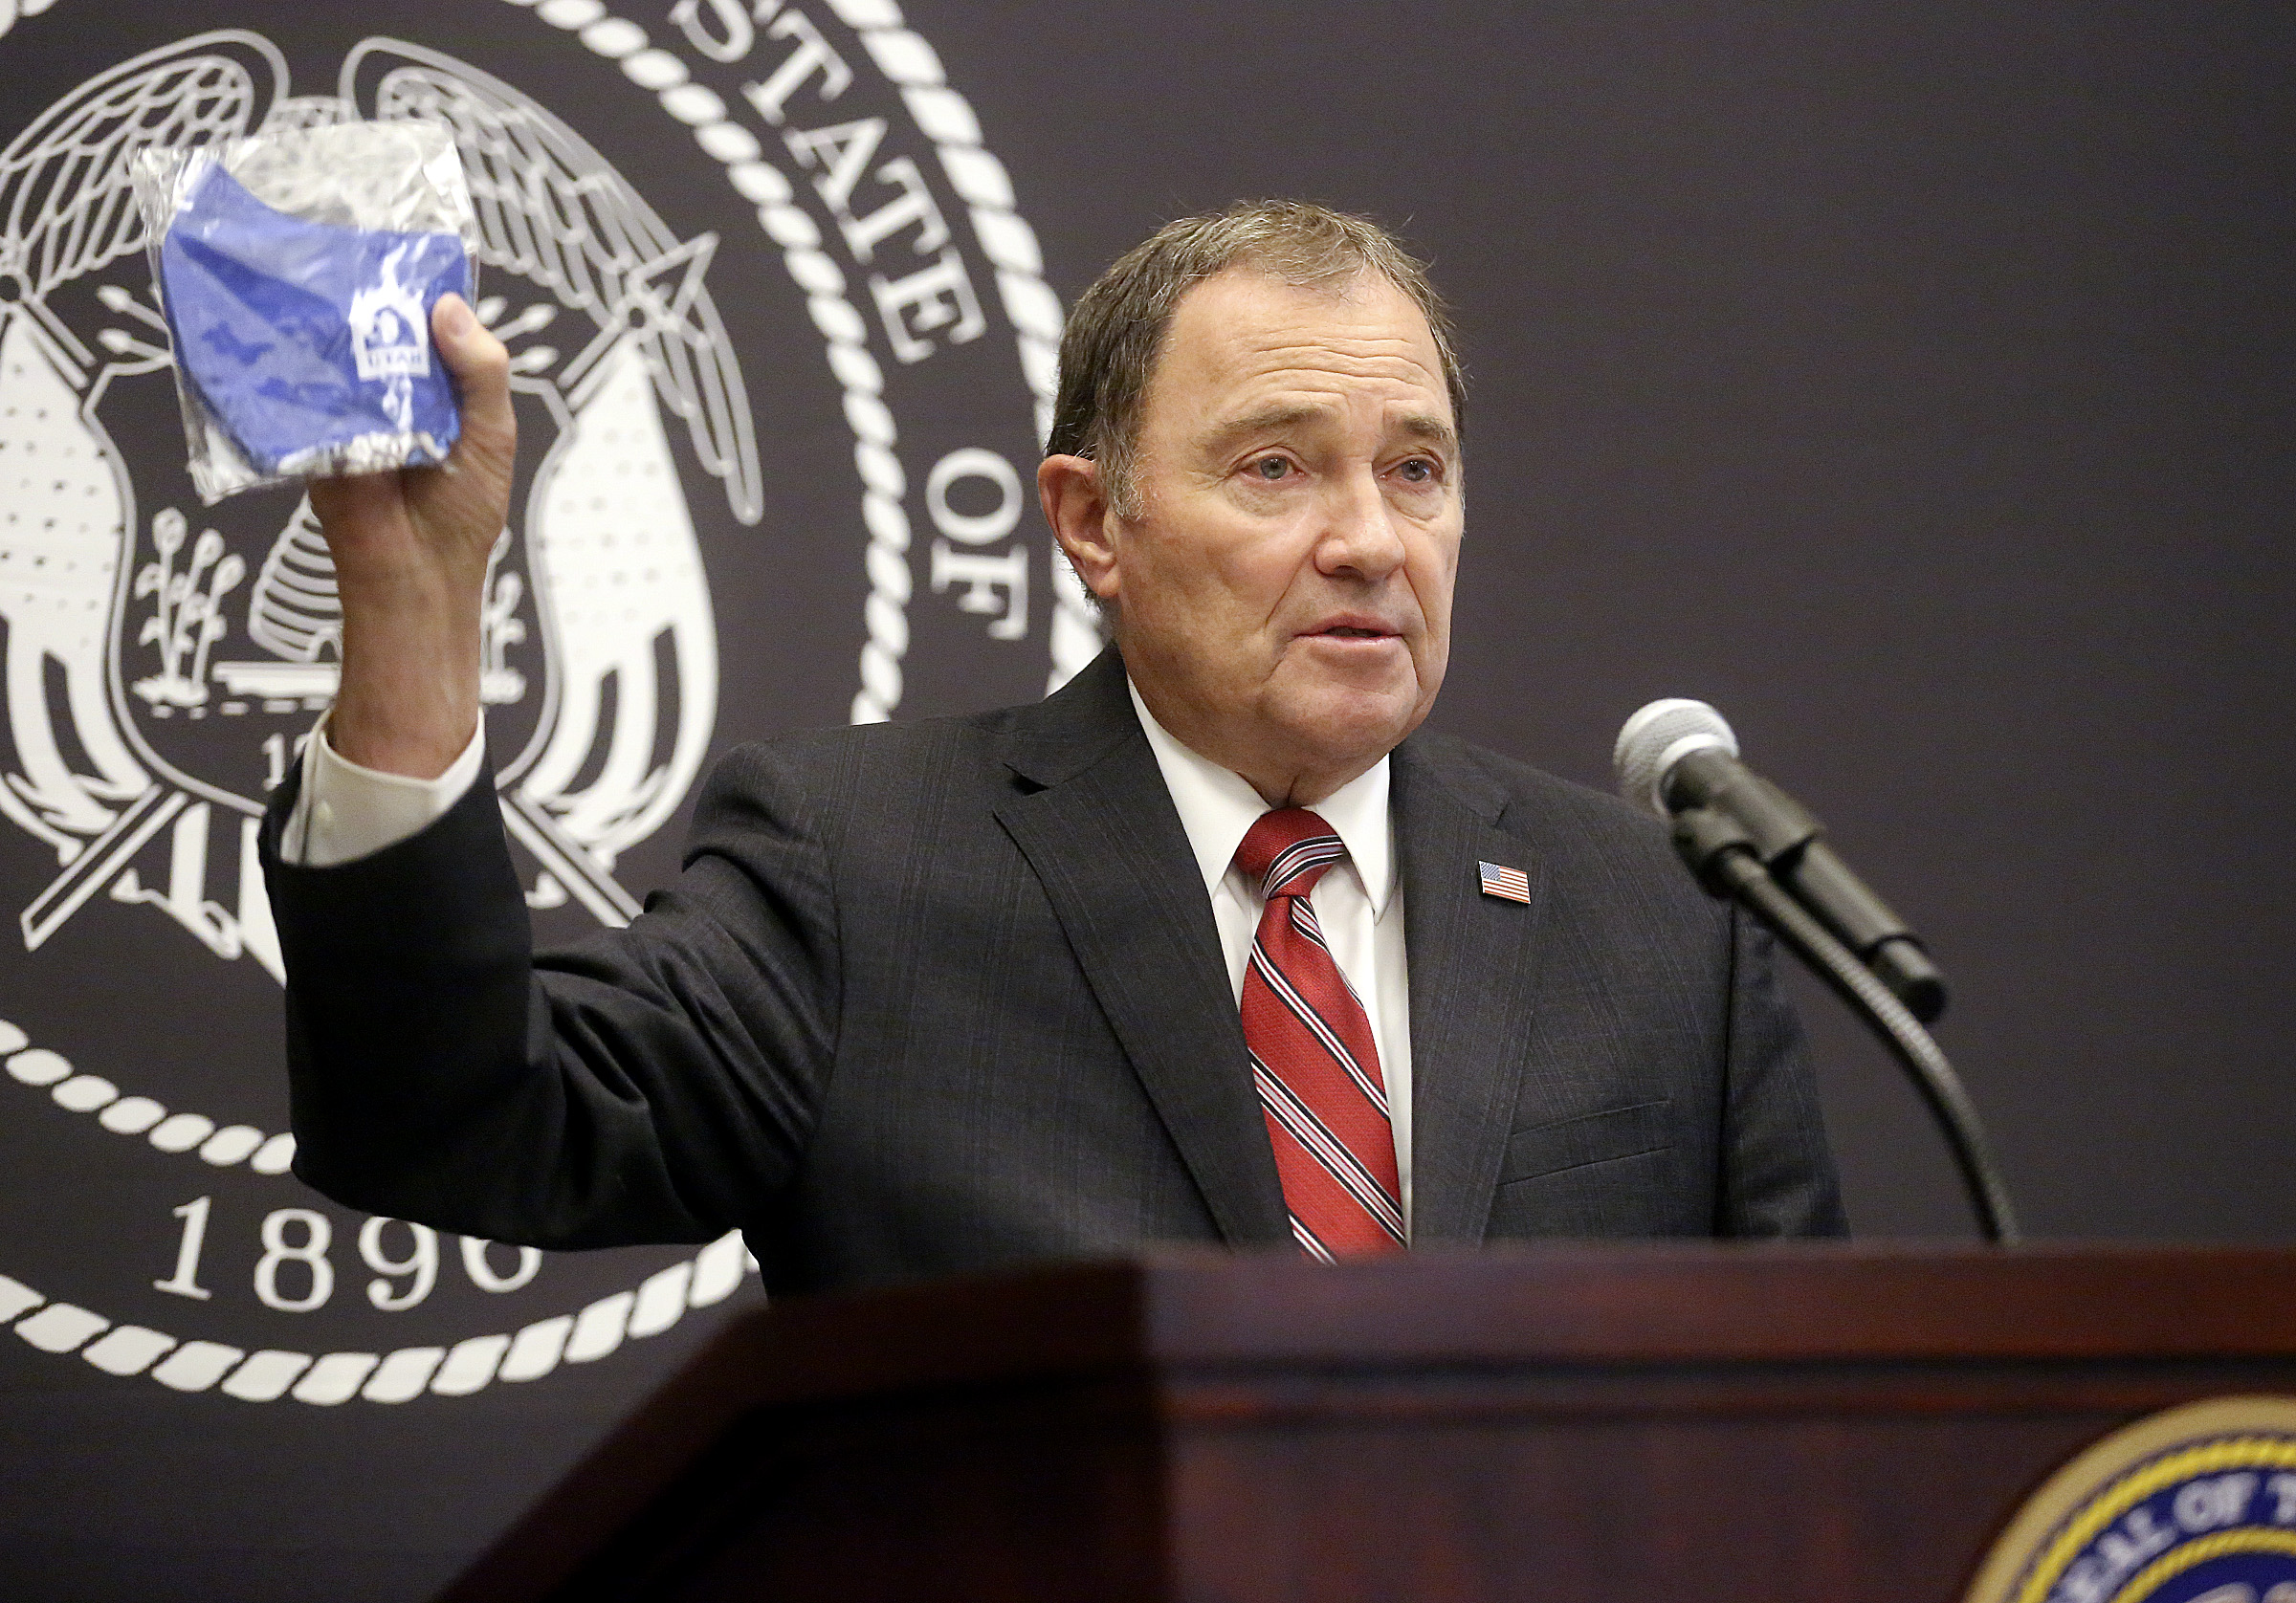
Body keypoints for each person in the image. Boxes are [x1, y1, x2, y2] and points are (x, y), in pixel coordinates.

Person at [264, 201, 1843, 1293]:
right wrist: (411, 607)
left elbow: (1805, 1428)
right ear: (1094, 522)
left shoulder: (1660, 918)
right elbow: (463, 1126)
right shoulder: (861, 866)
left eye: (1416, 471)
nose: (1371, 540)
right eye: (1279, 468)